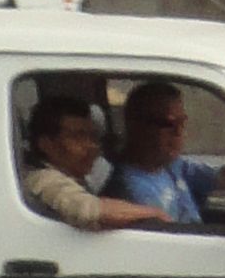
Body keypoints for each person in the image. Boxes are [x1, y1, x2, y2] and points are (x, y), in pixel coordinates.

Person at [106, 81, 225, 231]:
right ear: (137, 127)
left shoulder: (172, 165)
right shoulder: (128, 190)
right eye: (169, 125)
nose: (179, 133)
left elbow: (222, 177)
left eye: (182, 123)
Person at [23, 94, 168, 236]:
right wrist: (155, 214)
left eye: (92, 137)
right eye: (78, 137)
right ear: (47, 145)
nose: (91, 146)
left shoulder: (77, 178)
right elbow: (90, 211)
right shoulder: (43, 179)